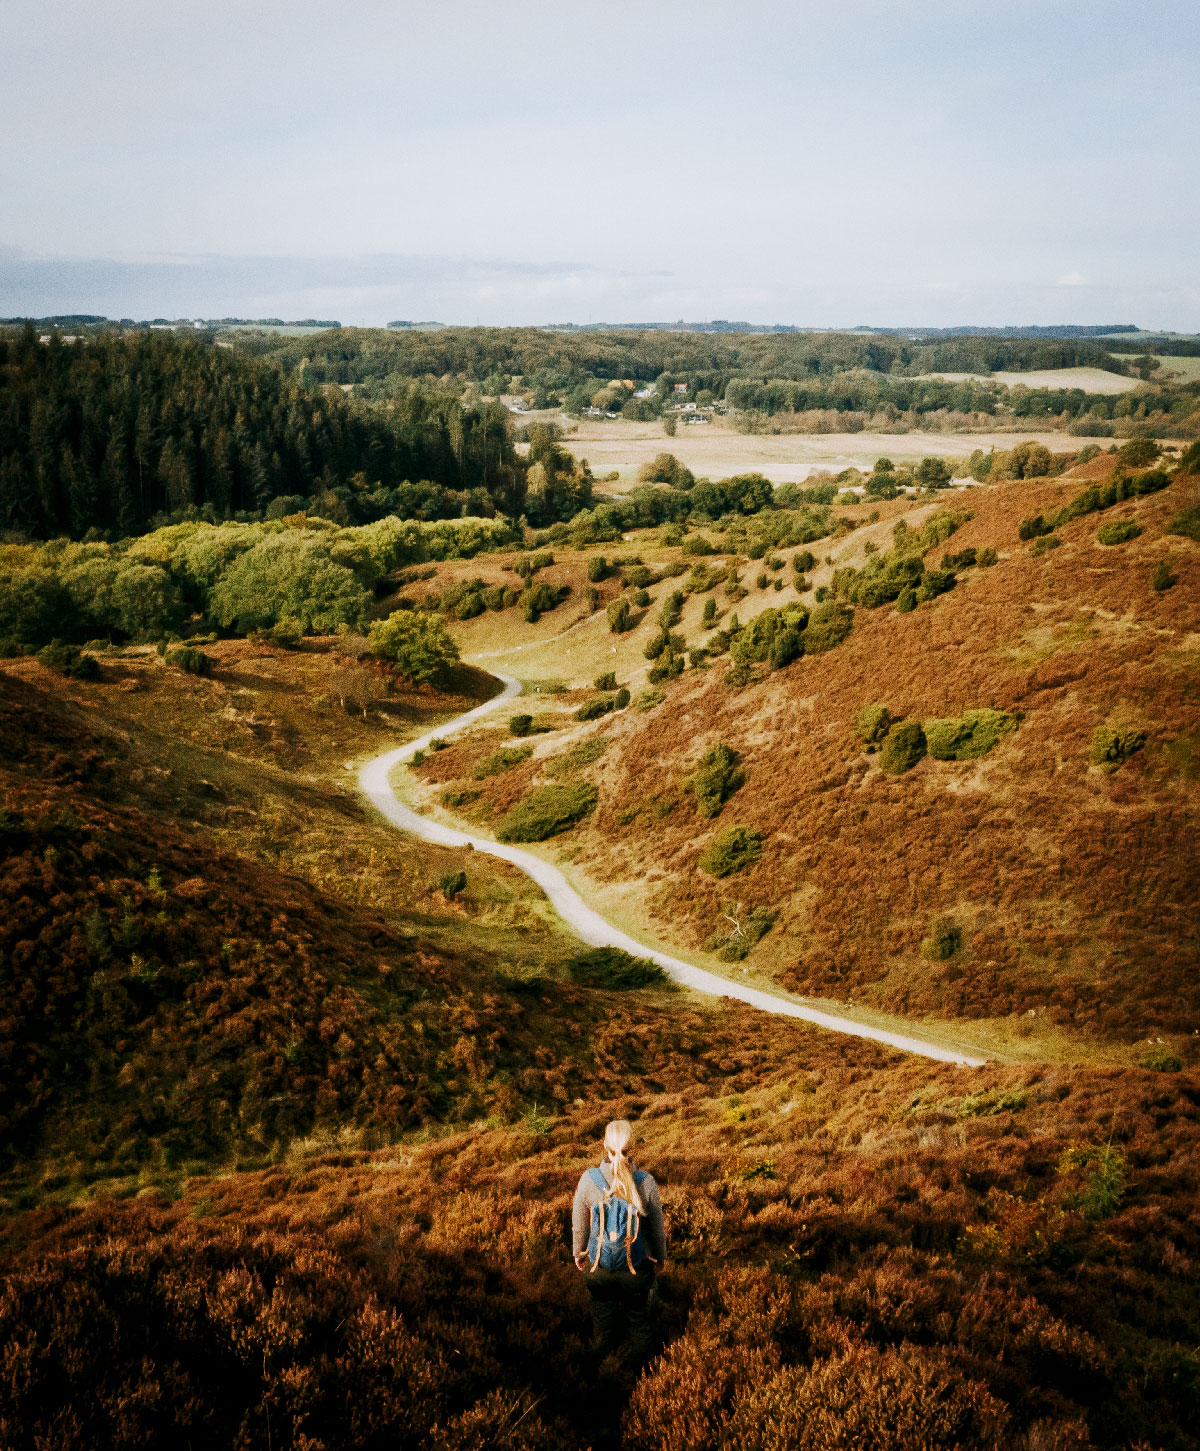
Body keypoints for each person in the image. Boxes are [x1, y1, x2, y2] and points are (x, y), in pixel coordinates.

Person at [571, 1119, 667, 1368]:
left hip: (598, 1270)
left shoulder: (587, 1180)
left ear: (605, 1146)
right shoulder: (646, 1181)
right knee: (638, 1324)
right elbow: (656, 1227)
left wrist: (578, 1254)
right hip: (636, 1270)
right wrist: (660, 1258)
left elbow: (579, 1224)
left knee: (603, 1327)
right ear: (632, 1147)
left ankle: (602, 1375)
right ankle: (641, 1378)